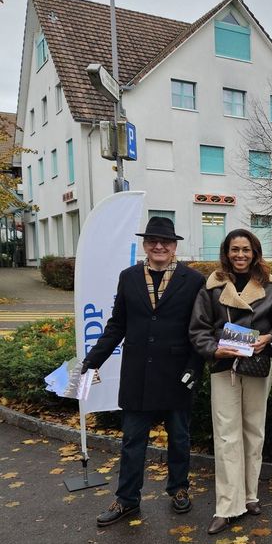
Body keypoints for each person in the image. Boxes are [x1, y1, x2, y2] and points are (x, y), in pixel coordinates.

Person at [82, 215, 205, 526]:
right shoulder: (129, 277)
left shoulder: (193, 280)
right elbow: (117, 325)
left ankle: (178, 488)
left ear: (175, 246)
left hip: (178, 373)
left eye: (165, 242)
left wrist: (194, 368)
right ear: (145, 245)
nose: (159, 246)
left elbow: (199, 329)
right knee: (133, 441)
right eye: (153, 241)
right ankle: (127, 500)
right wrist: (92, 359)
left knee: (179, 437)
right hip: (138, 374)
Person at [189, 229, 272, 535]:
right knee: (227, 435)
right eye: (234, 250)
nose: (240, 255)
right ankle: (228, 505)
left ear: (255, 252)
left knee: (254, 431)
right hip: (224, 366)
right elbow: (198, 329)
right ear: (226, 252)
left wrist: (269, 337)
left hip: (257, 365)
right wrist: (214, 349)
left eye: (246, 249)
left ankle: (250, 495)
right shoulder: (212, 286)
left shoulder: (270, 287)